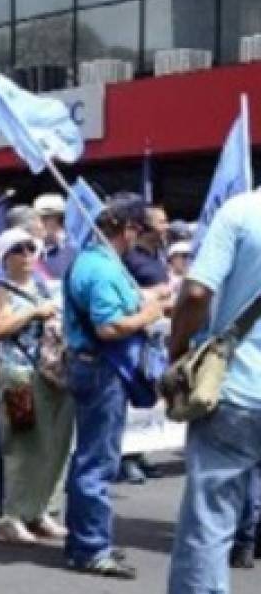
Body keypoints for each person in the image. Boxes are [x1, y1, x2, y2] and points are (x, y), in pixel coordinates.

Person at [166, 187, 261, 594]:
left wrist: (177, 347)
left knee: (209, 528)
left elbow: (197, 292)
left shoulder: (242, 211)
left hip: (237, 391)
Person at [63, 193, 162, 579]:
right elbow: (109, 326)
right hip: (103, 367)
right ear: (129, 228)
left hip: (97, 366)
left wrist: (148, 300)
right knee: (98, 460)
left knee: (92, 456)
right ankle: (91, 548)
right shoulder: (102, 269)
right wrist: (149, 314)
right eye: (141, 227)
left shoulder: (100, 263)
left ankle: (84, 542)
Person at [0, 228, 72, 545]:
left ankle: (39, 509)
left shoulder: (43, 287)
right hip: (17, 376)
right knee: (22, 446)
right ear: (6, 257)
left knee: (52, 445)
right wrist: (32, 313)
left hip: (47, 374)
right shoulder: (0, 290)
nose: (27, 255)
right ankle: (12, 515)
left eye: (31, 248)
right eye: (19, 250)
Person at [119, 204, 172, 485]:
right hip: (134, 339)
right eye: (161, 222)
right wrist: (155, 296)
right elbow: (128, 296)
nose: (167, 226)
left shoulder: (157, 257)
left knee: (149, 395)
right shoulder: (129, 259)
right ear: (145, 227)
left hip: (155, 340)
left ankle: (138, 453)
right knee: (132, 395)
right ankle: (126, 457)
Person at [32, 194, 75, 279]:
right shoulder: (37, 250)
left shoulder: (71, 247)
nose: (39, 224)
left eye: (44, 218)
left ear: (59, 218)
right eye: (37, 219)